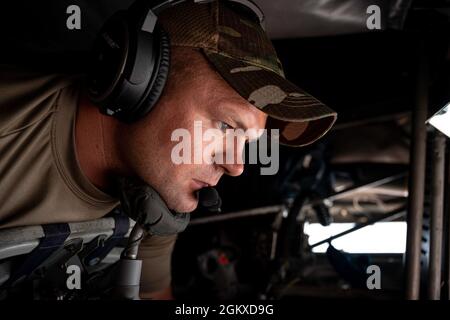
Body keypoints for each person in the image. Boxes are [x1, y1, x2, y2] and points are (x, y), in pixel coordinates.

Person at [0, 0, 336, 299]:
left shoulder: (151, 199)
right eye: (226, 126)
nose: (236, 167)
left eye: (246, 143)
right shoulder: (10, 140)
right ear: (140, 79)